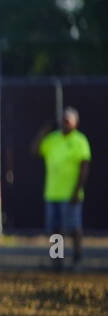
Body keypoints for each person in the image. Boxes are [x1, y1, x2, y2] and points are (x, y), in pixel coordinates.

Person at [33, 107, 92, 269]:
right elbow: (35, 150)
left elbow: (84, 167)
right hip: (52, 193)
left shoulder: (80, 141)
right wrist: (43, 132)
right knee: (55, 230)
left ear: (75, 123)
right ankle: (57, 260)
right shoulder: (53, 139)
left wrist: (77, 190)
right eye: (63, 120)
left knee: (74, 228)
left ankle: (77, 259)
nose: (65, 123)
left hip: (71, 193)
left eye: (68, 121)